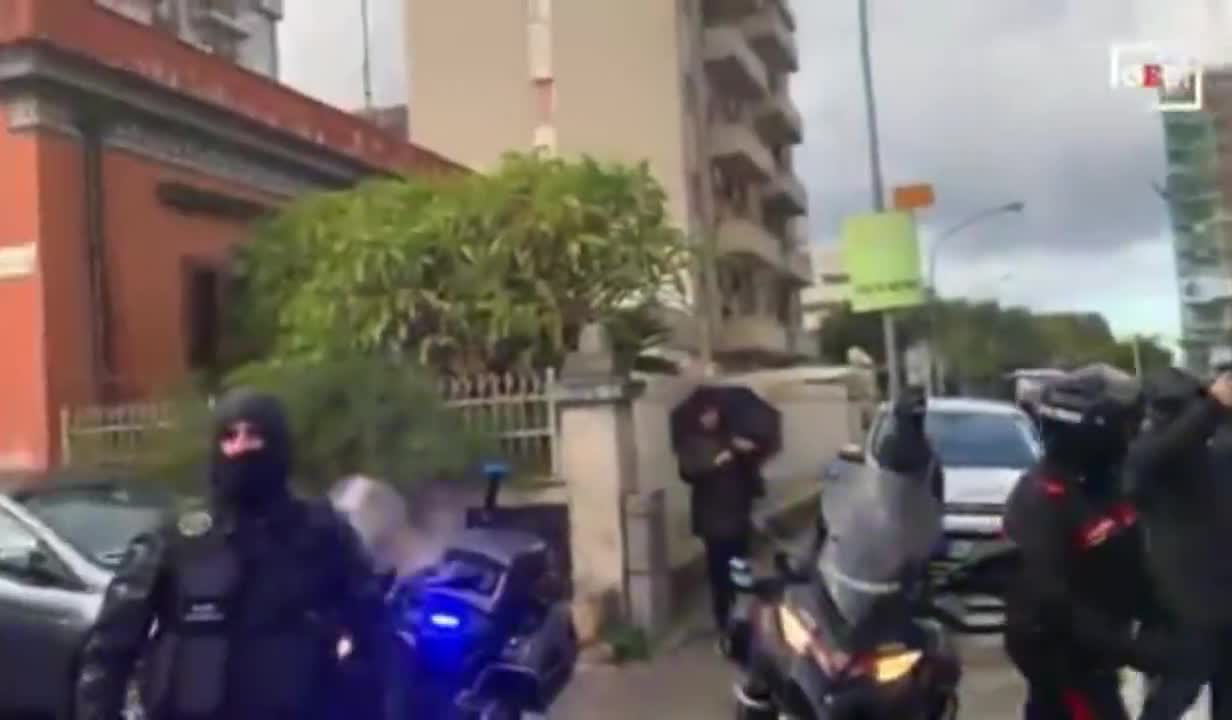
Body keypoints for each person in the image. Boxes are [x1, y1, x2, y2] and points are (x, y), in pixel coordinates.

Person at [75, 389, 394, 720]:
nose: (240, 447)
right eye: (229, 436)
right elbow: (111, 646)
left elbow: (372, 630)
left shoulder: (321, 533)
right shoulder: (178, 538)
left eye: (253, 435)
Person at [1003, 366, 1181, 720]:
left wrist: (1164, 616)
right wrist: (1131, 646)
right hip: (1061, 663)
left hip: (1100, 660)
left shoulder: (1105, 486)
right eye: (1125, 427)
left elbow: (1132, 560)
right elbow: (1052, 601)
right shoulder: (1042, 498)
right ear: (1090, 433)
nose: (1132, 435)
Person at [1126, 367, 1232, 719]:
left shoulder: (1213, 450)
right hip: (1183, 610)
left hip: (1223, 603)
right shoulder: (1153, 454)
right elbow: (1156, 457)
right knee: (1172, 698)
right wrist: (1211, 407)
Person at [676, 402, 763, 649]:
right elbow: (688, 472)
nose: (710, 418)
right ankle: (723, 619)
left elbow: (752, 480)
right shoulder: (692, 444)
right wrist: (715, 462)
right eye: (706, 413)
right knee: (719, 572)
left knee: (741, 568)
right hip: (712, 519)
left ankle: (743, 615)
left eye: (714, 412)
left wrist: (746, 452)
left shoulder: (731, 438)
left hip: (737, 515)